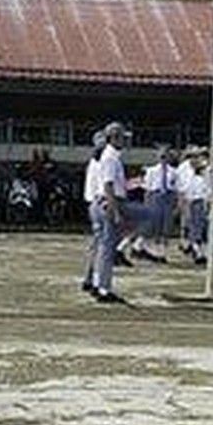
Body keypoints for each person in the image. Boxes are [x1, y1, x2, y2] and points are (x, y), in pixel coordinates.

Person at [87, 123, 128, 304]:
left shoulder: (109, 156)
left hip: (101, 202)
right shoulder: (111, 158)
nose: (125, 141)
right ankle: (104, 288)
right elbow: (108, 185)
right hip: (108, 202)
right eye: (122, 137)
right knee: (107, 249)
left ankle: (98, 283)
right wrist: (115, 210)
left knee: (102, 247)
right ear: (114, 137)